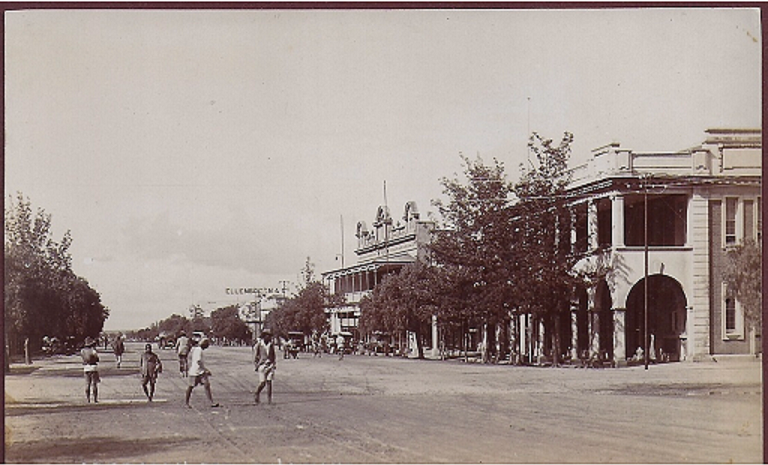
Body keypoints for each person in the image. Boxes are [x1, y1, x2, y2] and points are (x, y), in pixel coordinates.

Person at [184, 338, 219, 408]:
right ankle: (186, 403)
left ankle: (211, 402)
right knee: (191, 387)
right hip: (195, 371)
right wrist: (206, 370)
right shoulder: (198, 350)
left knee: (207, 385)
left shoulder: (198, 350)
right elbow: (198, 361)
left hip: (200, 371)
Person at [253, 329, 276, 405]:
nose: (269, 337)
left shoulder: (271, 345)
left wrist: (273, 364)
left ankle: (269, 400)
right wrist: (256, 365)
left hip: (270, 365)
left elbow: (273, 355)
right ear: (264, 336)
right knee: (262, 383)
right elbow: (256, 356)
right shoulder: (259, 345)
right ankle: (257, 393)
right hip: (262, 365)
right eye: (268, 336)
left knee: (269, 382)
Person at [80, 337, 100, 403]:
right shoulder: (93, 350)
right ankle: (95, 399)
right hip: (93, 368)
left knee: (87, 384)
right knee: (94, 384)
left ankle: (88, 399)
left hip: (86, 368)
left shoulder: (82, 351)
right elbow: (97, 359)